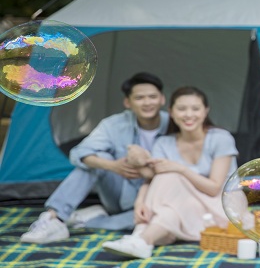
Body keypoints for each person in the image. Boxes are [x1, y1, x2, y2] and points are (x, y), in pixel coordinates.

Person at [20, 73, 169, 243]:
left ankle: (88, 219)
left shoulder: (175, 124)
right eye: (140, 98)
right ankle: (53, 218)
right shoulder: (114, 124)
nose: (148, 103)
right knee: (96, 158)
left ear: (162, 99)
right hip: (120, 192)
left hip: (157, 198)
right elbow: (78, 153)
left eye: (152, 97)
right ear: (128, 102)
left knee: (158, 219)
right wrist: (113, 166)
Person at [102, 86, 238, 259]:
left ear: (205, 111)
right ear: (171, 112)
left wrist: (180, 168)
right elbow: (153, 178)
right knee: (169, 201)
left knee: (170, 175)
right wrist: (140, 201)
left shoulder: (220, 138)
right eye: (181, 109)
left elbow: (214, 188)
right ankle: (143, 241)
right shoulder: (164, 143)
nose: (189, 115)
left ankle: (139, 237)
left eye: (195, 109)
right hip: (186, 205)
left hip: (220, 204)